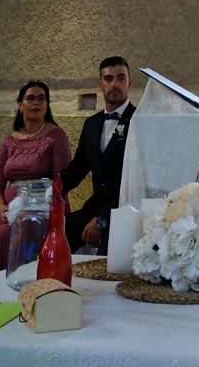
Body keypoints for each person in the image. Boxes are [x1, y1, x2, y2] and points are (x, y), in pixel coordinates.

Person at [0, 79, 72, 284]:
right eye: (30, 98)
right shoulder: (8, 141)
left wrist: (54, 213)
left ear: (47, 105)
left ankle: (3, 291)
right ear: (20, 104)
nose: (36, 103)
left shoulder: (56, 137)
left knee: (0, 240)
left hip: (38, 206)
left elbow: (62, 182)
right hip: (6, 207)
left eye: (41, 99)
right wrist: (2, 210)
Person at [61, 56, 136, 254]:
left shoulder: (140, 122)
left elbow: (136, 184)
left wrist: (103, 219)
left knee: (108, 255)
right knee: (56, 232)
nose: (115, 84)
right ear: (100, 83)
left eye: (121, 78)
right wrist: (48, 191)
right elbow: (76, 171)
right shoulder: (91, 124)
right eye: (108, 78)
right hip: (94, 208)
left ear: (130, 83)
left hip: (126, 211)